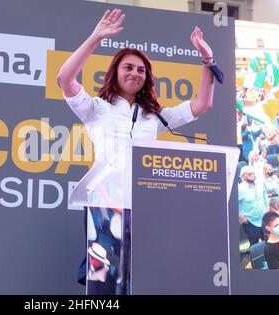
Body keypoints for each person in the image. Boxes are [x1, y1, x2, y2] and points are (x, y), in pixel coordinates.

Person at [57, 8, 217, 295]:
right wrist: (96, 37)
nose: (135, 73)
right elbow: (65, 78)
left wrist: (208, 60)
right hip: (105, 205)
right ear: (115, 72)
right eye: (128, 67)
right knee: (104, 283)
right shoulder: (96, 108)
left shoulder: (153, 116)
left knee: (142, 282)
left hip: (147, 205)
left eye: (141, 70)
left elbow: (202, 104)